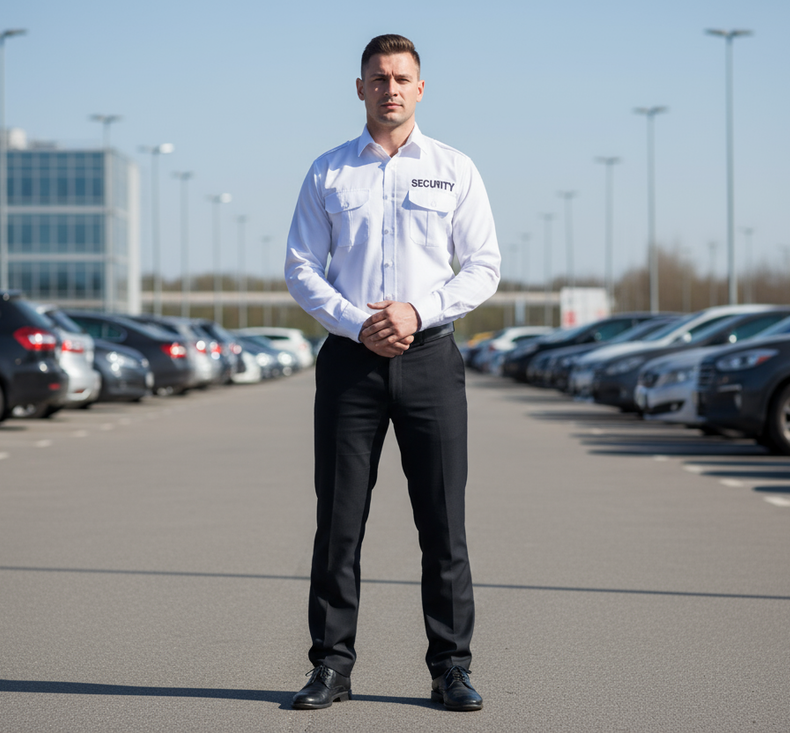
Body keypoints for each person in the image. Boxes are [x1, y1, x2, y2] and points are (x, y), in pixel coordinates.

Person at [284, 33, 501, 712]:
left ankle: (451, 669)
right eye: (378, 78)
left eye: (403, 78)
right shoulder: (328, 172)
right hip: (350, 365)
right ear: (360, 88)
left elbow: (484, 266)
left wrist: (417, 311)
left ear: (421, 88)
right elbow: (299, 268)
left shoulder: (455, 168)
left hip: (432, 358)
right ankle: (331, 667)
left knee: (442, 525)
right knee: (339, 523)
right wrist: (359, 323)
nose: (391, 89)